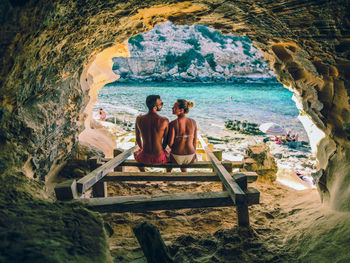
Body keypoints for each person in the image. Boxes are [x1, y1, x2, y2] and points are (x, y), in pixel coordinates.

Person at [134, 95, 169, 172]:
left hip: (144, 158)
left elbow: (138, 138)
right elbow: (166, 141)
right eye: (161, 104)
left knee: (135, 153)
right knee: (170, 155)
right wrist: (161, 150)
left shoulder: (139, 119)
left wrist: (142, 149)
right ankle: (167, 176)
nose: (162, 105)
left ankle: (143, 173)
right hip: (159, 158)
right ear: (155, 107)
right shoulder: (164, 121)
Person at [168, 99, 197, 172]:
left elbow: (170, 144)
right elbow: (194, 141)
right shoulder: (193, 122)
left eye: (175, 107)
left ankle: (167, 176)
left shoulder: (173, 123)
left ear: (181, 110)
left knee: (168, 156)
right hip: (191, 157)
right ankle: (184, 172)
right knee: (182, 160)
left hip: (177, 156)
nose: (172, 108)